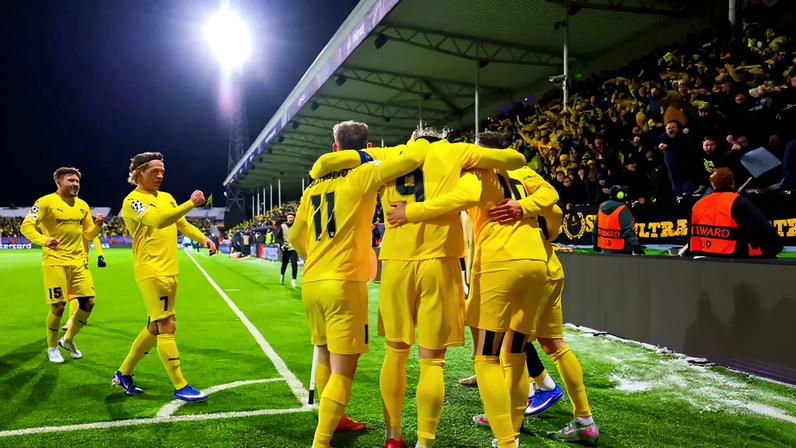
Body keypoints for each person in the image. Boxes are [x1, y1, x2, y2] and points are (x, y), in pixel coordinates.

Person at [310, 128, 526, 448]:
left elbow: (326, 163)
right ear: (440, 138)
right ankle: (425, 442)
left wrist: (354, 157)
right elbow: (515, 159)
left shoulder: (390, 153)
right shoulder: (458, 151)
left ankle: (392, 437)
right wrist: (467, 160)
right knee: (431, 361)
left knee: (395, 355)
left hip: (396, 263)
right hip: (440, 261)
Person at [386, 132, 552, 447]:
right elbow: (550, 200)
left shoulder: (464, 168)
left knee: (484, 359)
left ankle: (504, 441)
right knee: (514, 353)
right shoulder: (516, 171)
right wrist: (524, 207)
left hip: (490, 264)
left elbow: (465, 195)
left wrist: (410, 212)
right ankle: (511, 430)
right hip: (535, 262)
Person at [290, 121, 427, 448]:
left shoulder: (312, 188)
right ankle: (320, 442)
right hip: (344, 282)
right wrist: (421, 143)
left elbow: (295, 237)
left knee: (324, 356)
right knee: (342, 371)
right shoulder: (363, 174)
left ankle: (335, 420)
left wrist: (316, 256)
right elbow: (411, 160)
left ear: (335, 147)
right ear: (366, 146)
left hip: (312, 281)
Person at [112, 152, 217, 402]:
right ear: (138, 173)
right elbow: (158, 221)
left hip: (170, 269)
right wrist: (191, 203)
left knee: (154, 327)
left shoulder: (168, 198)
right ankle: (181, 385)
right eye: (154, 172)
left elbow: (181, 224)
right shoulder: (133, 201)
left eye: (162, 171)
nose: (160, 175)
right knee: (167, 324)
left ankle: (123, 373)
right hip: (151, 271)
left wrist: (204, 238)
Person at [21, 167, 104, 363]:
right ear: (58, 182)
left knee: (89, 302)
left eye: (77, 181)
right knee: (58, 307)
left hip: (78, 262)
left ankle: (67, 340)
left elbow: (89, 234)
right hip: (55, 261)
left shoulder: (83, 205)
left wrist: (98, 225)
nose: (75, 184)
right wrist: (43, 240)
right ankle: (51, 348)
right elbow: (26, 225)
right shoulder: (45, 202)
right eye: (70, 180)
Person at [690, 168, 782, 258]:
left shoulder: (698, 204)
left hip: (704, 253)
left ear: (712, 184)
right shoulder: (739, 202)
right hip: (736, 255)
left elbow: (691, 235)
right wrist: (777, 246)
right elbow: (765, 231)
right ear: (732, 182)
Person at [593, 185, 644, 254]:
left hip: (604, 247)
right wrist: (636, 247)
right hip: (621, 248)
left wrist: (595, 244)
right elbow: (628, 231)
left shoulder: (601, 208)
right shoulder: (623, 209)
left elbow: (595, 229)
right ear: (620, 195)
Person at [278, 214, 298, 287]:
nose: (290, 219)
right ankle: (282, 275)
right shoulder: (283, 226)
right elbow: (278, 238)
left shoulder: (296, 226)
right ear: (287, 218)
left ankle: (294, 280)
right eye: (289, 217)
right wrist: (282, 244)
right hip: (286, 248)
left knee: (294, 264)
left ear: (294, 219)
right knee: (284, 264)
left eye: (292, 217)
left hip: (294, 248)